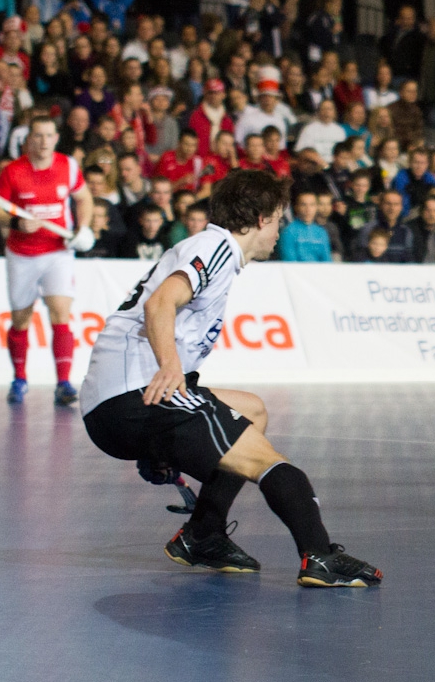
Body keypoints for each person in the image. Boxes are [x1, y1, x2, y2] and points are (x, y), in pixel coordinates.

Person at [80, 169, 383, 588]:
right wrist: (170, 369)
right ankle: (319, 555)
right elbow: (160, 304)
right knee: (268, 461)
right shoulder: (216, 246)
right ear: (261, 218)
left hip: (118, 397)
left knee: (252, 411)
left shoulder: (214, 251)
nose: (281, 228)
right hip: (132, 392)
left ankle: (203, 535)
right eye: (279, 218)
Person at [0, 116, 94, 404]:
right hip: (22, 254)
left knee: (60, 314)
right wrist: (15, 225)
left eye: (48, 135)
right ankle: (19, 379)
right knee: (20, 318)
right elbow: (0, 209)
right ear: (29, 140)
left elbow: (84, 198)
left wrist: (83, 227)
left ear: (56, 138)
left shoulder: (69, 166)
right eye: (37, 136)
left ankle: (64, 382)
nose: (43, 141)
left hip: (58, 252)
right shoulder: (13, 172)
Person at [279, 191, 332, 261]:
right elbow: (290, 262)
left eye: (312, 205)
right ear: (296, 207)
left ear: (316, 207)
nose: (308, 209)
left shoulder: (321, 232)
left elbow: (327, 261)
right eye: (303, 205)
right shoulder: (288, 231)